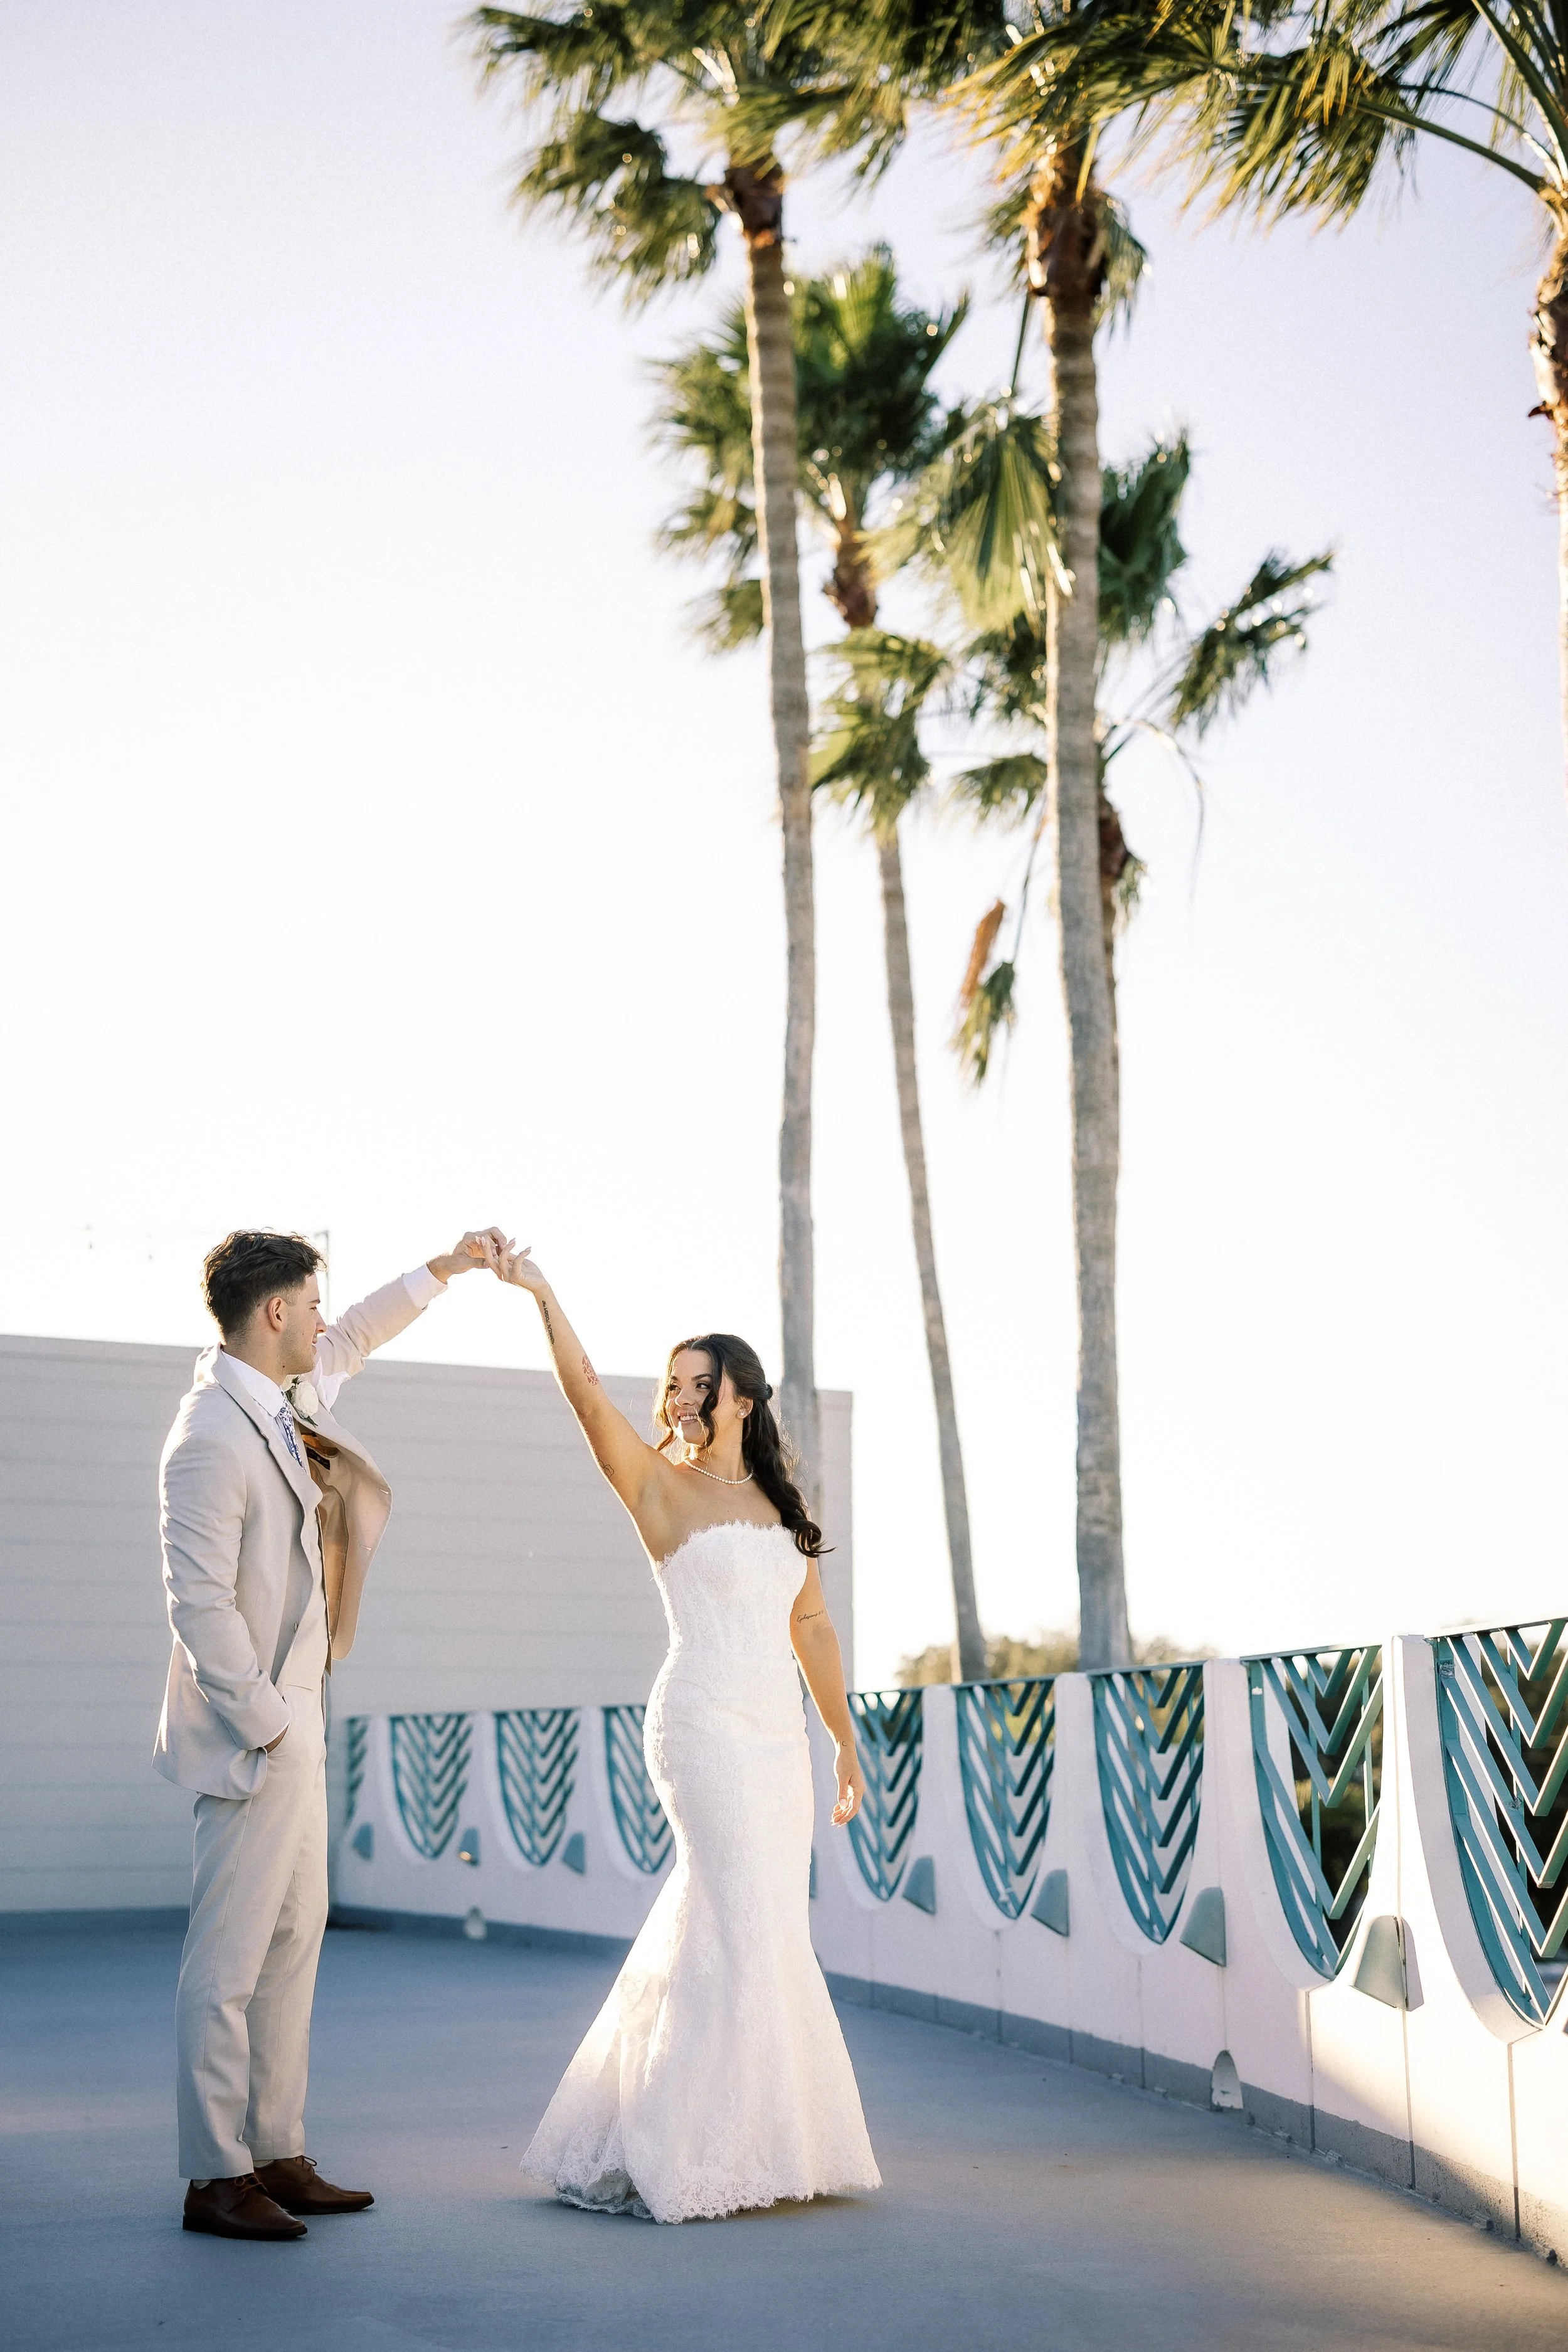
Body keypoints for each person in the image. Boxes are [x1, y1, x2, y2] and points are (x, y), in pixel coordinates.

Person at [495, 1242, 882, 2223]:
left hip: (778, 1736)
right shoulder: (658, 1488)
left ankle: (763, 2139)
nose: (676, 1402)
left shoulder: (783, 1510)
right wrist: (544, 1291)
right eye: (670, 1386)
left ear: (743, 1397)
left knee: (757, 1922)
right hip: (701, 1722)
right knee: (738, 1904)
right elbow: (587, 1398)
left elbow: (814, 1626)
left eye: (695, 1387)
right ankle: (684, 2145)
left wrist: (841, 1736)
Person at [155, 1225, 507, 2242]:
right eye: (310, 1303)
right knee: (225, 1959)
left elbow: (357, 1334)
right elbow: (199, 1603)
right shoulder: (209, 1435)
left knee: (293, 1937)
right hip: (254, 1727)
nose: (322, 1319)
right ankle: (213, 2176)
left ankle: (274, 2149)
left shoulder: (286, 1394)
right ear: (274, 1314)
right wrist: (268, 1726)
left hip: (302, 1710)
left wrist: (442, 1269)